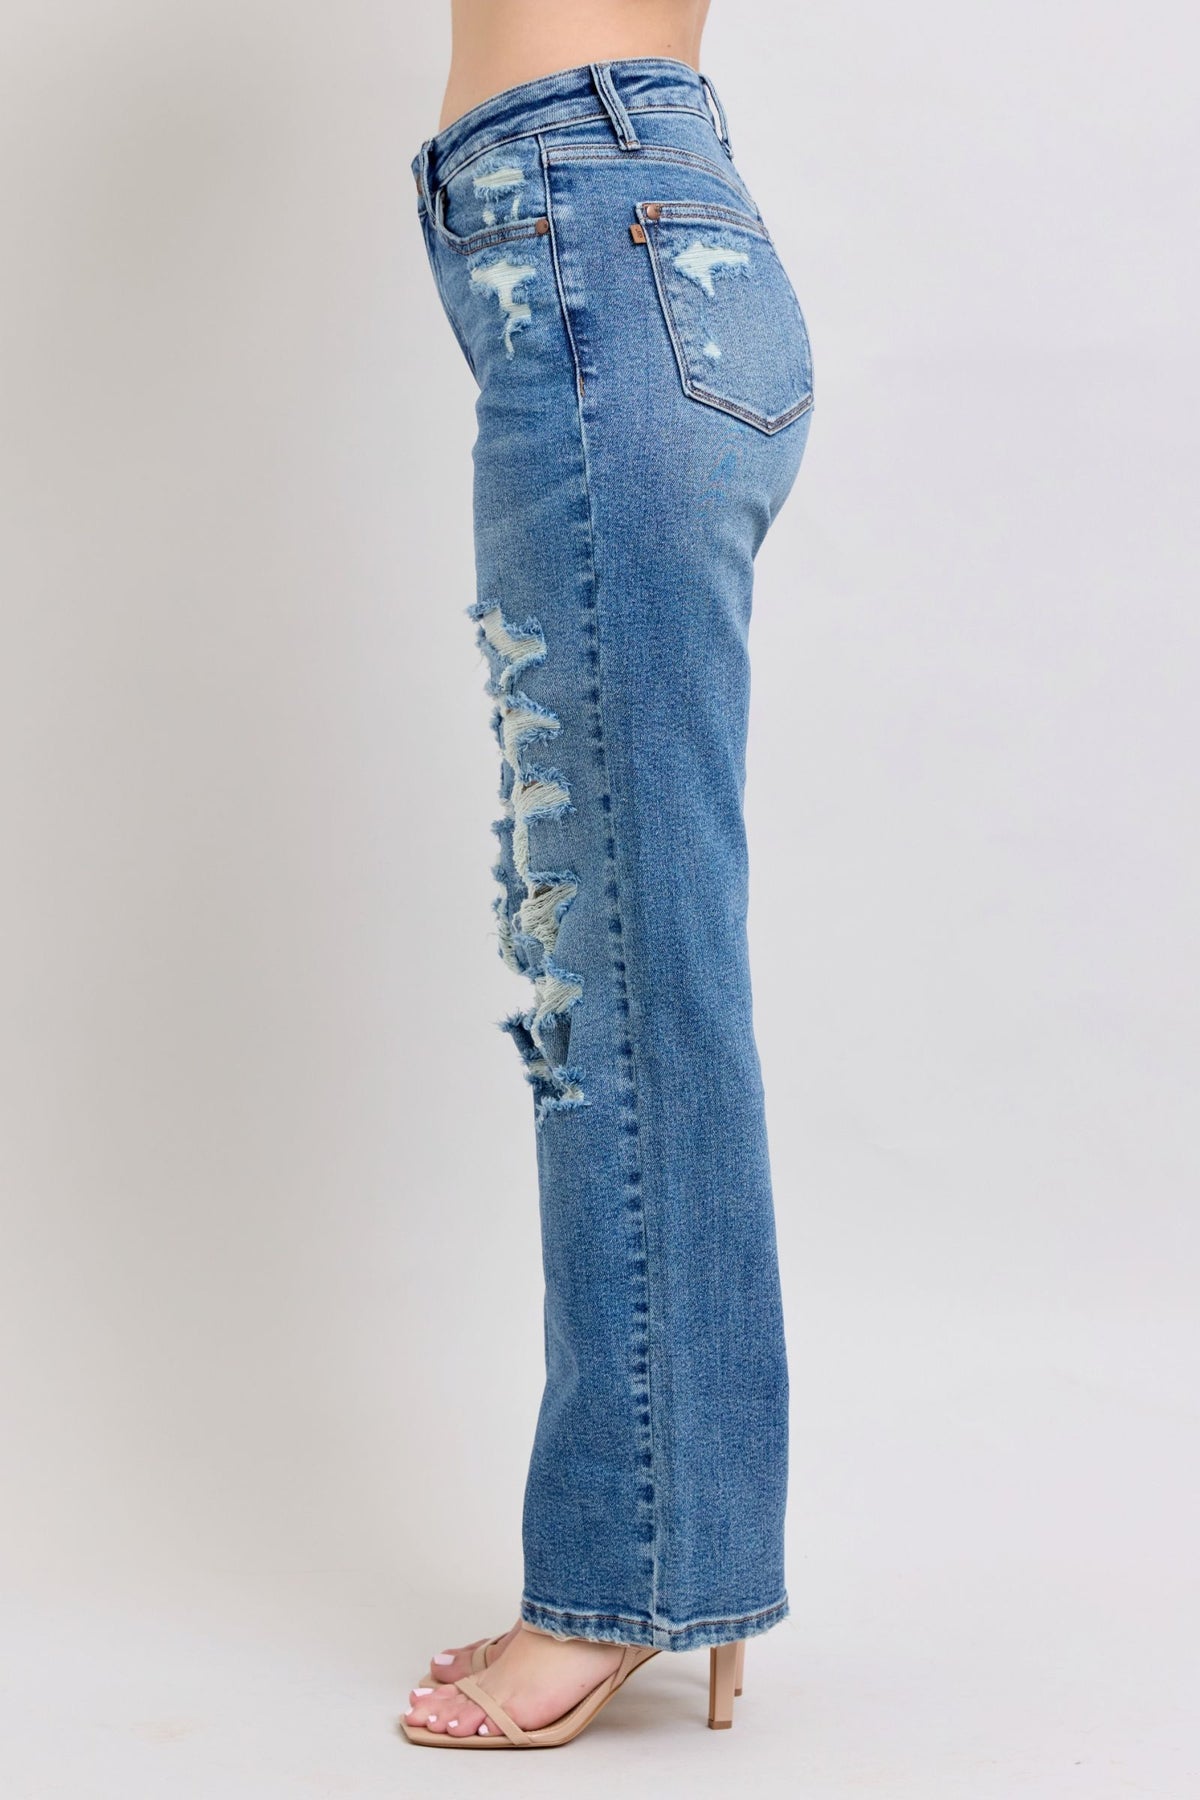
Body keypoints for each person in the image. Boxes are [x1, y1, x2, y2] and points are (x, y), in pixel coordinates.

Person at [403, 0, 813, 1749]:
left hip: (591, 231)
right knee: (632, 962)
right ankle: (665, 1556)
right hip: (614, 226)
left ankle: (631, 1572)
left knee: (624, 975)